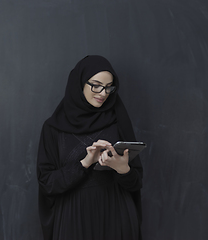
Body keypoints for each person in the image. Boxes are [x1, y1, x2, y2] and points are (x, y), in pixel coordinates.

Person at [37, 55, 143, 240]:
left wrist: (122, 169)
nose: (103, 93)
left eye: (109, 87)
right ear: (79, 83)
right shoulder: (53, 128)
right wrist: (85, 163)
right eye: (96, 85)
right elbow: (47, 183)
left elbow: (136, 182)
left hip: (117, 216)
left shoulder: (117, 120)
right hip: (73, 219)